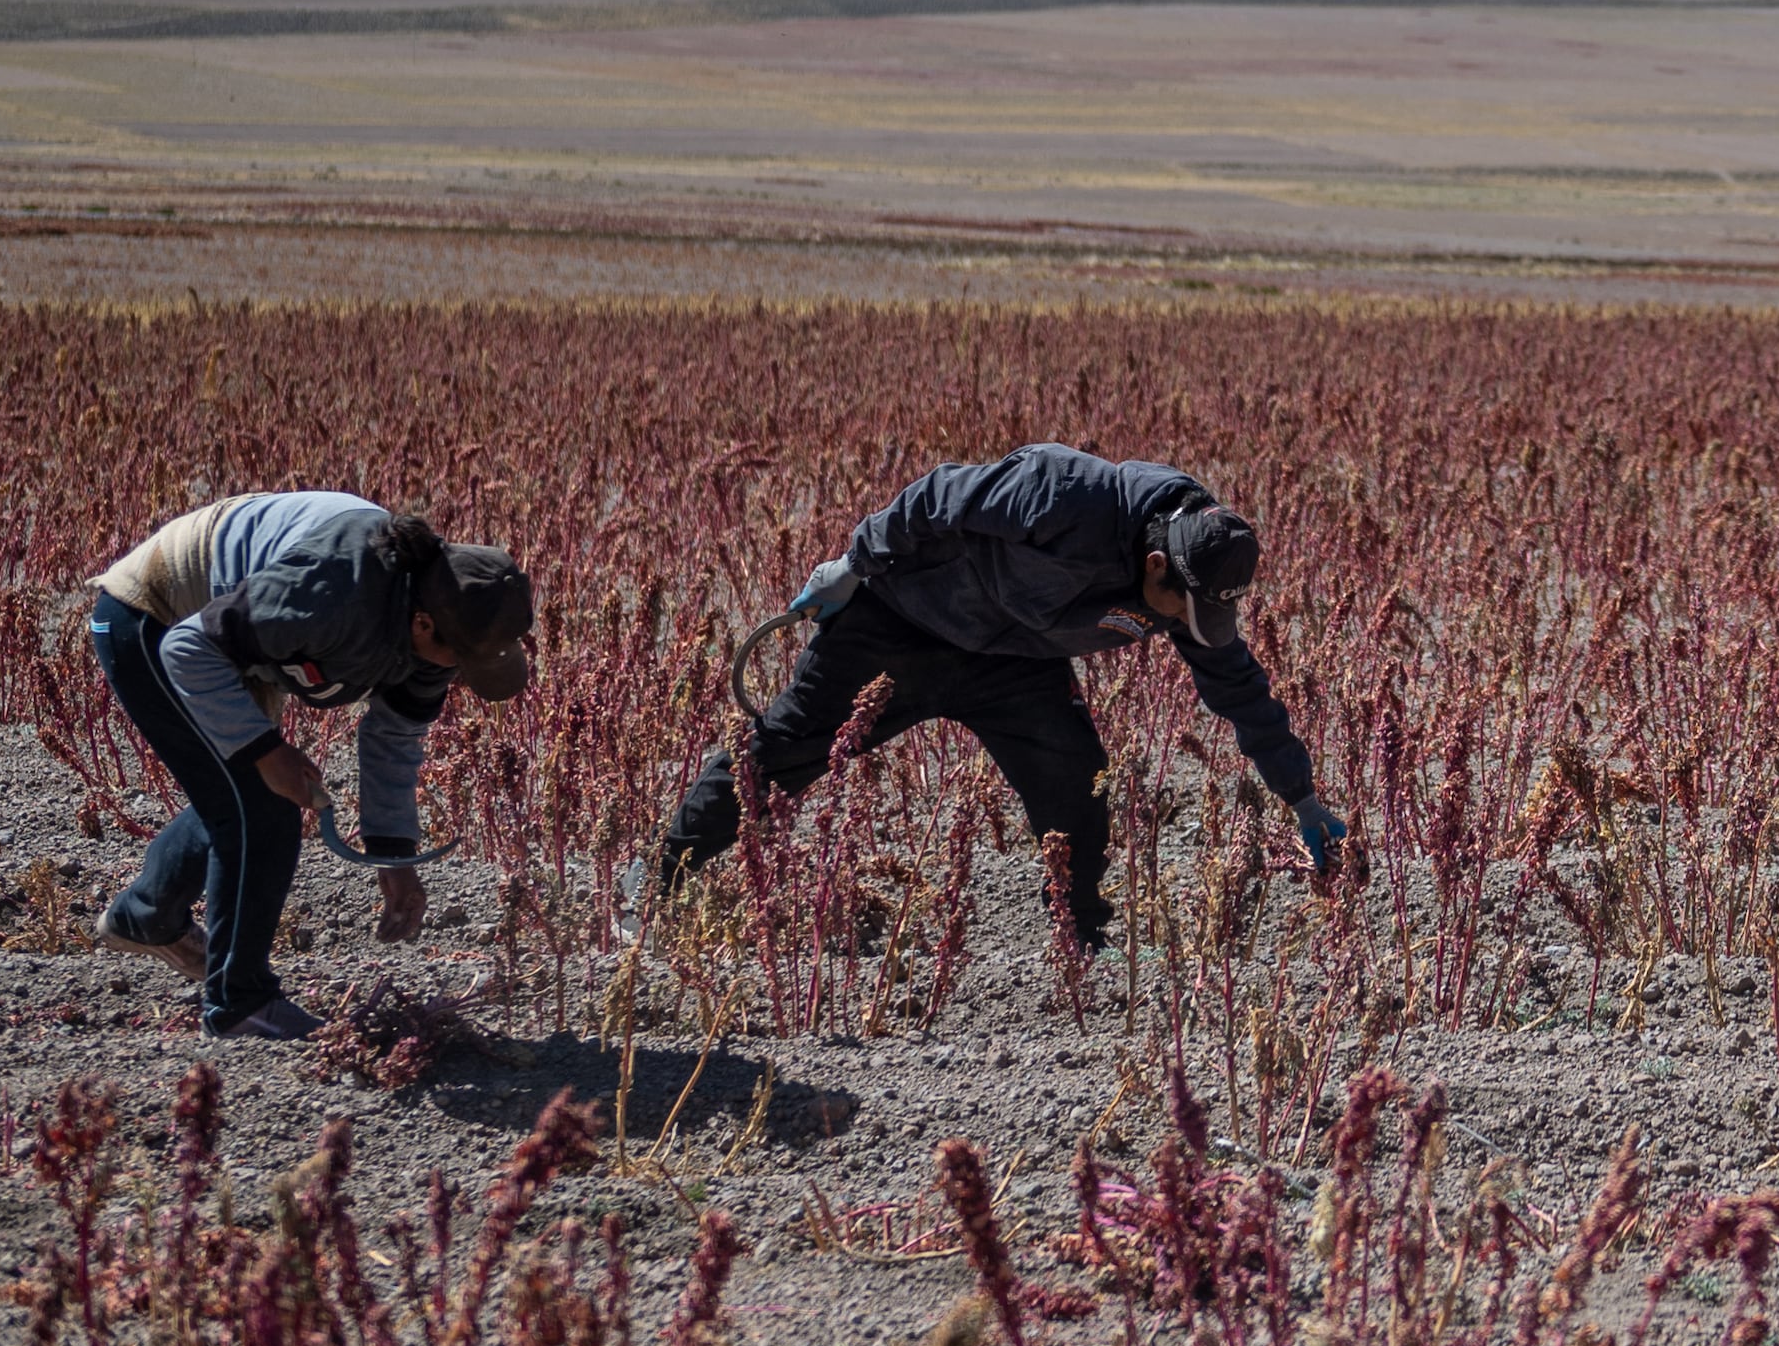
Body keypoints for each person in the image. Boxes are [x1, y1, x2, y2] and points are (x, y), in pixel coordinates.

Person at [650, 441, 1338, 952]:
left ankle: (1080, 950)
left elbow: (1239, 689)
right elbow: (939, 497)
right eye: (1175, 610)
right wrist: (854, 562)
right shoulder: (1066, 493)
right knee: (780, 756)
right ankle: (652, 886)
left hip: (1014, 662)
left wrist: (1303, 800)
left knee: (1077, 790)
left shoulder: (1190, 578)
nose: (1178, 628)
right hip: (902, 621)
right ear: (1156, 563)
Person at [84, 490, 537, 1040]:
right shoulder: (334, 595)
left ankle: (145, 916)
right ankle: (238, 1004)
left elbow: (393, 739)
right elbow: (188, 648)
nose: (461, 676)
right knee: (260, 806)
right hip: (155, 615)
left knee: (241, 798)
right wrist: (266, 751)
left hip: (236, 641)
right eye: (461, 660)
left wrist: (392, 857)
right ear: (422, 625)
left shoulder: (445, 616)